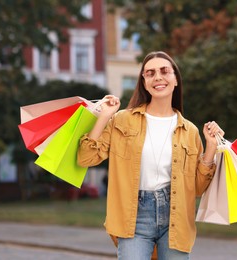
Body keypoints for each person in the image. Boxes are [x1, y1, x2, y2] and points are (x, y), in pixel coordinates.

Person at [77, 51, 224, 260]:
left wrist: (210, 147)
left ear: (175, 79)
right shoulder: (122, 120)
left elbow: (198, 188)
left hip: (176, 217)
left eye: (164, 71)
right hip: (133, 216)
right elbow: (85, 158)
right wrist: (104, 116)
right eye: (150, 73)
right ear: (144, 82)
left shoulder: (190, 131)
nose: (158, 77)